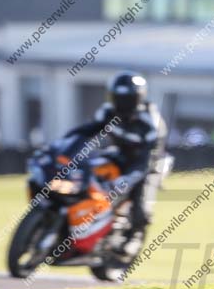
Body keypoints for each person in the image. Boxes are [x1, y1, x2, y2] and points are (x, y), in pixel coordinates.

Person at [65, 71, 168, 254]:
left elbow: (148, 157)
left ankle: (135, 237)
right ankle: (81, 219)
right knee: (87, 172)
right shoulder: (107, 111)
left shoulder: (150, 122)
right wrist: (65, 143)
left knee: (141, 202)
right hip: (120, 155)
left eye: (126, 98)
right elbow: (87, 130)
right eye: (118, 97)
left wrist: (127, 180)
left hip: (149, 164)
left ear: (138, 98)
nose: (121, 102)